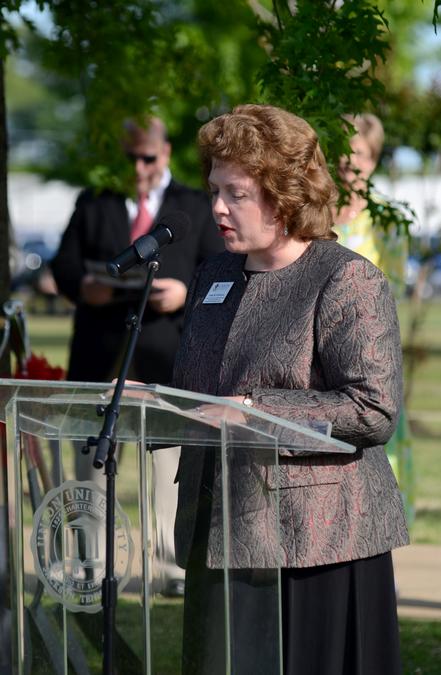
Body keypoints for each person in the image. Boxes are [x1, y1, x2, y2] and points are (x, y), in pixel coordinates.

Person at [171, 104, 409, 674]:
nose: (218, 208)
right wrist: (150, 398)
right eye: (214, 191)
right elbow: (205, 390)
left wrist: (256, 412)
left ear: (284, 194)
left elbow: (373, 410)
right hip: (220, 529)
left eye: (236, 194)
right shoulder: (216, 276)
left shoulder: (345, 279)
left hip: (318, 545)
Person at [51, 116, 223, 595]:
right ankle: (92, 567)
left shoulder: (191, 205)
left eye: (147, 157)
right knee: (93, 459)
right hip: (101, 350)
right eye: (130, 158)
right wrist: (84, 287)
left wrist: (184, 292)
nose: (139, 167)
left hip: (167, 351)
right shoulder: (95, 201)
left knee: (169, 464)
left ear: (165, 153)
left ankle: (171, 569)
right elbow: (64, 264)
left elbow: (219, 268)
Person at [335, 113, 414, 527]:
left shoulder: (388, 220)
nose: (351, 164)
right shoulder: (321, 212)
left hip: (371, 347)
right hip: (326, 350)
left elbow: (394, 289)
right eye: (345, 154)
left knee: (383, 450)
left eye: (360, 156)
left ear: (375, 158)